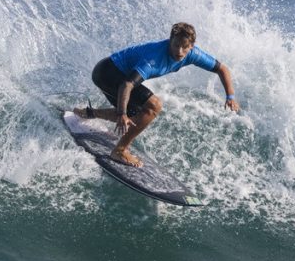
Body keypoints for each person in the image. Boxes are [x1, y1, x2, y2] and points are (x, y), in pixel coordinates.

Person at [74, 22, 240, 167]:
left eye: (184, 47)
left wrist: (230, 97)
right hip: (108, 73)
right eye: (175, 45)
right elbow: (127, 84)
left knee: (136, 115)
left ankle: (89, 113)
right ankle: (119, 150)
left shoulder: (193, 54)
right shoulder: (154, 58)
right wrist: (121, 113)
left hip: (117, 75)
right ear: (170, 41)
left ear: (192, 46)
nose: (179, 51)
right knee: (154, 106)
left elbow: (222, 69)